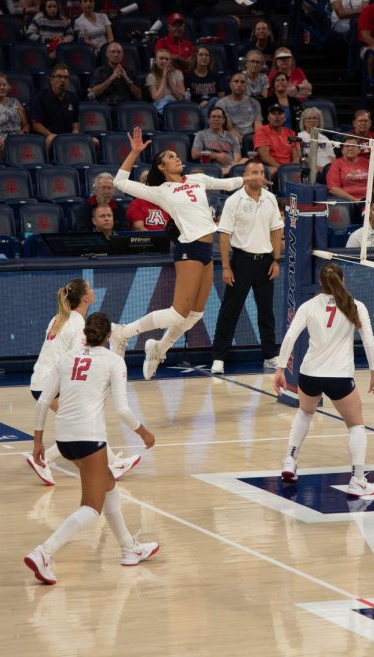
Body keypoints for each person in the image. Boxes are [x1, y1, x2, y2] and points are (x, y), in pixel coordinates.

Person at [23, 311, 159, 586]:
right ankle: (44, 553)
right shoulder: (114, 361)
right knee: (91, 507)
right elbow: (121, 409)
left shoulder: (67, 358)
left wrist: (38, 442)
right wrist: (143, 433)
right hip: (89, 438)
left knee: (109, 484)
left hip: (63, 439)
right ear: (109, 336)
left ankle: (128, 548)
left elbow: (42, 402)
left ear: (85, 333)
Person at [108, 127, 244, 368]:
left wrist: (250, 179)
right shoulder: (160, 191)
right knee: (177, 313)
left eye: (176, 155)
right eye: (170, 157)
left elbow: (225, 184)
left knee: (195, 315)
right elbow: (119, 182)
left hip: (206, 250)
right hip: (188, 247)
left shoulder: (196, 179)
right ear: (161, 167)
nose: (176, 157)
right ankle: (122, 332)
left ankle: (159, 347)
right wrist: (135, 152)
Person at [273, 261, 374, 495]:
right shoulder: (355, 306)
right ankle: (358, 479)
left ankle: (290, 459)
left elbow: (290, 337)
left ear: (320, 283)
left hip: (309, 374)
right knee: (356, 425)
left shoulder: (308, 305)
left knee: (304, 413)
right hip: (339, 377)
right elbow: (369, 341)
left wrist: (280, 369)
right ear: (343, 281)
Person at [24, 279, 140, 486]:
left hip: (39, 380)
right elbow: (77, 356)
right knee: (80, 425)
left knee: (82, 424)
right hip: (52, 383)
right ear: (85, 298)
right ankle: (44, 461)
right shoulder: (78, 323)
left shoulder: (57, 318)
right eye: (90, 289)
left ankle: (114, 464)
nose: (93, 291)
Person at [210, 160, 285, 376]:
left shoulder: (271, 199)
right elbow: (224, 235)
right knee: (229, 311)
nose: (258, 175)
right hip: (240, 261)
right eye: (254, 172)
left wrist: (276, 260)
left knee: (266, 312)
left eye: (262, 172)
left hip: (265, 262)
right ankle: (218, 357)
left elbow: (277, 231)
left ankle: (270, 356)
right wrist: (226, 267)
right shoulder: (234, 200)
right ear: (245, 175)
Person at [27, 65, 79, 149]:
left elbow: (75, 121)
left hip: (67, 136)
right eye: (59, 77)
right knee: (51, 140)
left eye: (66, 77)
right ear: (51, 80)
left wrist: (75, 130)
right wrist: (50, 134)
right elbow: (36, 124)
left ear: (68, 81)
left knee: (94, 142)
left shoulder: (73, 98)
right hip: (47, 136)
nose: (62, 80)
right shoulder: (40, 98)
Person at [88, 41, 142, 106]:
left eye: (119, 52)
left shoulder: (129, 71)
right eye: (113, 52)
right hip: (107, 107)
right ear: (107, 54)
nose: (116, 55)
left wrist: (127, 79)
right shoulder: (99, 71)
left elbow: (139, 95)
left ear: (122, 55)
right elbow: (93, 93)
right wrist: (111, 78)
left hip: (126, 108)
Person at [254, 104, 300, 171]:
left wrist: (291, 169)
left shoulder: (291, 133)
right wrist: (282, 170)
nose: (276, 116)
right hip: (271, 167)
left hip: (288, 167)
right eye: (273, 114)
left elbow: (296, 156)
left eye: (280, 114)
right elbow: (264, 157)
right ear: (268, 118)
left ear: (285, 118)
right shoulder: (261, 131)